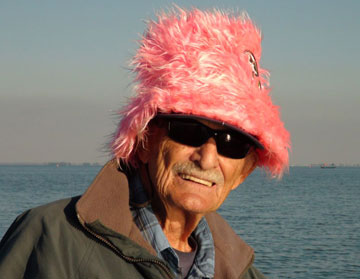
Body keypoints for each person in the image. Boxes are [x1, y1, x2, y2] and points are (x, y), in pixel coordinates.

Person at [0, 7, 290, 279]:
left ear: (244, 171)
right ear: (145, 139)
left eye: (232, 143)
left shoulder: (242, 271)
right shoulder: (49, 239)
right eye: (188, 130)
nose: (208, 158)